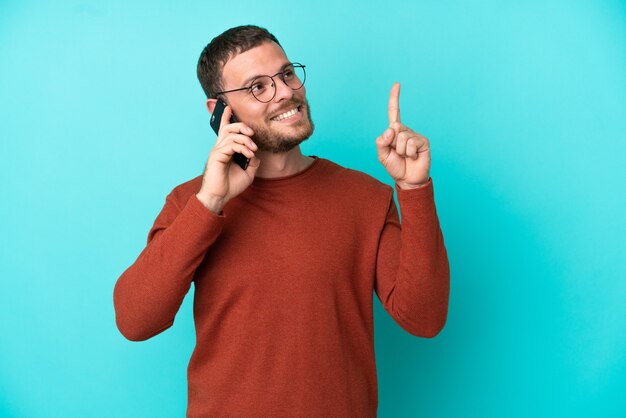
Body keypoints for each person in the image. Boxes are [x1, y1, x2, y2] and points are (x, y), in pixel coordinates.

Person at [113, 25, 450, 418]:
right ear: (220, 110)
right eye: (258, 87)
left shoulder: (365, 197)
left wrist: (414, 188)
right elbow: (136, 321)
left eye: (287, 74)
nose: (286, 92)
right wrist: (211, 201)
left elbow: (424, 319)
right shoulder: (192, 201)